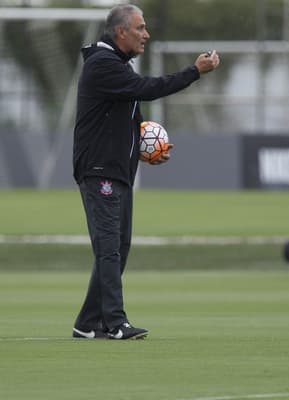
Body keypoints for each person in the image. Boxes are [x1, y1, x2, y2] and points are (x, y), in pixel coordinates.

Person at [71, 4, 220, 340]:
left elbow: (130, 110)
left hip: (117, 170)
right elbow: (149, 88)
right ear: (121, 31)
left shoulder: (116, 65)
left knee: (118, 247)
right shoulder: (103, 64)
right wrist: (194, 71)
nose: (146, 34)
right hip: (100, 170)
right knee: (109, 247)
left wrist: (145, 145)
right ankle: (116, 322)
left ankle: (87, 323)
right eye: (140, 28)